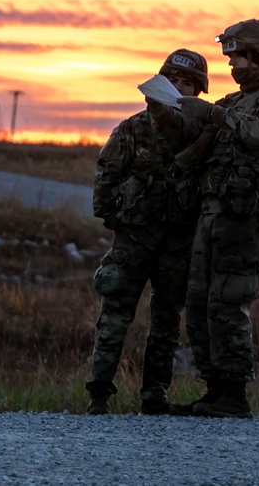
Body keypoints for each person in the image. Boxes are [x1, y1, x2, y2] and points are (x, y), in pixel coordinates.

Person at [172, 18, 259, 418]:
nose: (231, 64)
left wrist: (213, 116)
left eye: (237, 56)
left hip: (245, 216)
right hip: (211, 213)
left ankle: (234, 395)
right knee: (198, 303)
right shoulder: (231, 101)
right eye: (229, 57)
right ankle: (214, 390)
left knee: (229, 301)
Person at [85, 48, 209, 415]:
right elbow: (107, 173)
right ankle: (99, 396)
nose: (178, 86)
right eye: (172, 79)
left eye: (187, 82)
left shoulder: (202, 133)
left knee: (167, 323)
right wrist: (114, 218)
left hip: (178, 242)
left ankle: (155, 397)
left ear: (198, 91)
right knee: (114, 316)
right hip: (134, 238)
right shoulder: (133, 128)